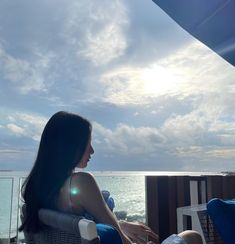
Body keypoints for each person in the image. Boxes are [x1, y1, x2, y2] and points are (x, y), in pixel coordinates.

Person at [19, 111, 202, 244]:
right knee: (192, 236)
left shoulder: (34, 190)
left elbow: (96, 227)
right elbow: (121, 241)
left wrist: (120, 224)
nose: (92, 150)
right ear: (69, 146)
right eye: (87, 143)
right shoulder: (82, 182)